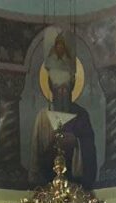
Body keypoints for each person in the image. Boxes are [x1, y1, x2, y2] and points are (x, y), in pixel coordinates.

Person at [29, 32, 97, 188]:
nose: (61, 92)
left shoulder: (81, 115)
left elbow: (90, 154)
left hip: (76, 187)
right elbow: (35, 158)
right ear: (51, 88)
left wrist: (76, 142)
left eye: (65, 88)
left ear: (72, 87)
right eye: (58, 88)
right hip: (48, 186)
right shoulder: (43, 117)